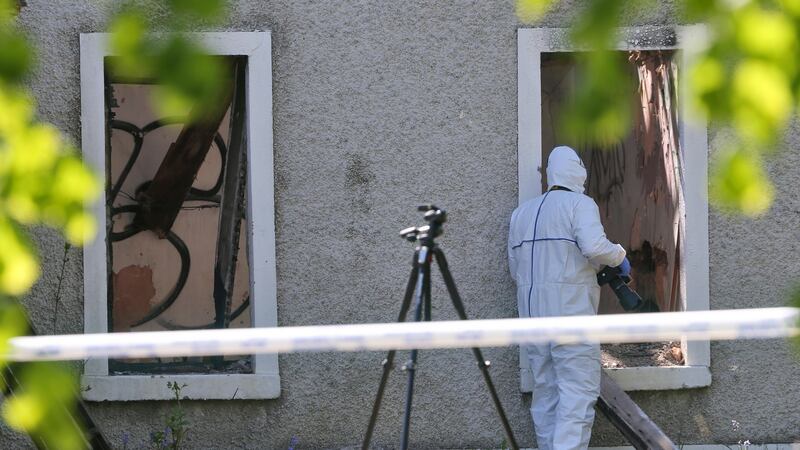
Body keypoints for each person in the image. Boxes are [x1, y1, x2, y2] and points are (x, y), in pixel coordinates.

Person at [507, 145, 630, 450]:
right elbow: (594, 246)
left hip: (533, 320)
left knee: (546, 396)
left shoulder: (521, 214)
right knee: (578, 394)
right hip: (570, 318)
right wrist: (619, 256)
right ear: (577, 172)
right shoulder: (580, 204)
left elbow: (515, 268)